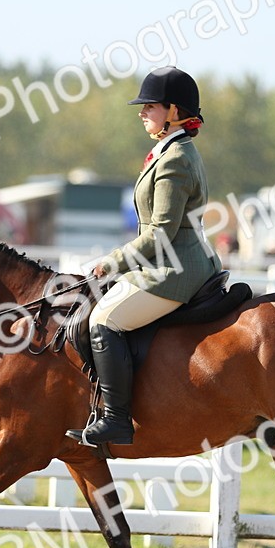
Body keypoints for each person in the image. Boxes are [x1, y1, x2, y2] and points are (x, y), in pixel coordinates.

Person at [65, 67, 222, 448]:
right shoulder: (170, 150)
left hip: (175, 267)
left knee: (104, 319)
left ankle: (115, 419)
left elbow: (161, 232)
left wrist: (112, 263)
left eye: (149, 106)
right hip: (166, 261)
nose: (142, 112)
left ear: (173, 111)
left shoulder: (175, 159)